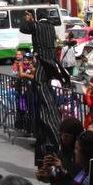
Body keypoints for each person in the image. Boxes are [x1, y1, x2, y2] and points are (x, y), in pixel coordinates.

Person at [18, 10, 68, 168]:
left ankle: (54, 149)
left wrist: (28, 19)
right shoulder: (51, 27)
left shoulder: (37, 26)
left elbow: (24, 28)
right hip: (51, 65)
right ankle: (45, 159)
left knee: (46, 109)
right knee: (44, 109)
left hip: (43, 66)